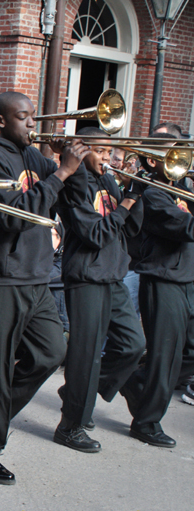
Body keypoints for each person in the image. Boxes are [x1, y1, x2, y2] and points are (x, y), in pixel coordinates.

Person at [0, 91, 88, 485]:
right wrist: (60, 174)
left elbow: (70, 197)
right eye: (23, 116)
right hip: (1, 274)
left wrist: (74, 163)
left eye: (33, 116)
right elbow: (13, 217)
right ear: (0, 121)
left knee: (51, 351)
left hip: (35, 274)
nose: (32, 123)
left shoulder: (35, 156)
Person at [54, 126, 145, 453]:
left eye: (110, 152)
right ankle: (70, 426)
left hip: (112, 274)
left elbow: (129, 228)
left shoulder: (107, 179)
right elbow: (94, 234)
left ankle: (78, 392)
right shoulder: (75, 184)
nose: (108, 157)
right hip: (87, 275)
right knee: (86, 355)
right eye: (101, 151)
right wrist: (127, 202)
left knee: (133, 345)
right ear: (83, 150)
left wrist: (136, 193)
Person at [120, 132, 194, 448]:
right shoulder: (152, 194)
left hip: (186, 278)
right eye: (173, 155)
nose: (183, 161)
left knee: (184, 355)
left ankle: (135, 379)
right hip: (163, 280)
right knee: (166, 356)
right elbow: (185, 227)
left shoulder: (182, 189)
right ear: (153, 161)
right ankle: (146, 422)